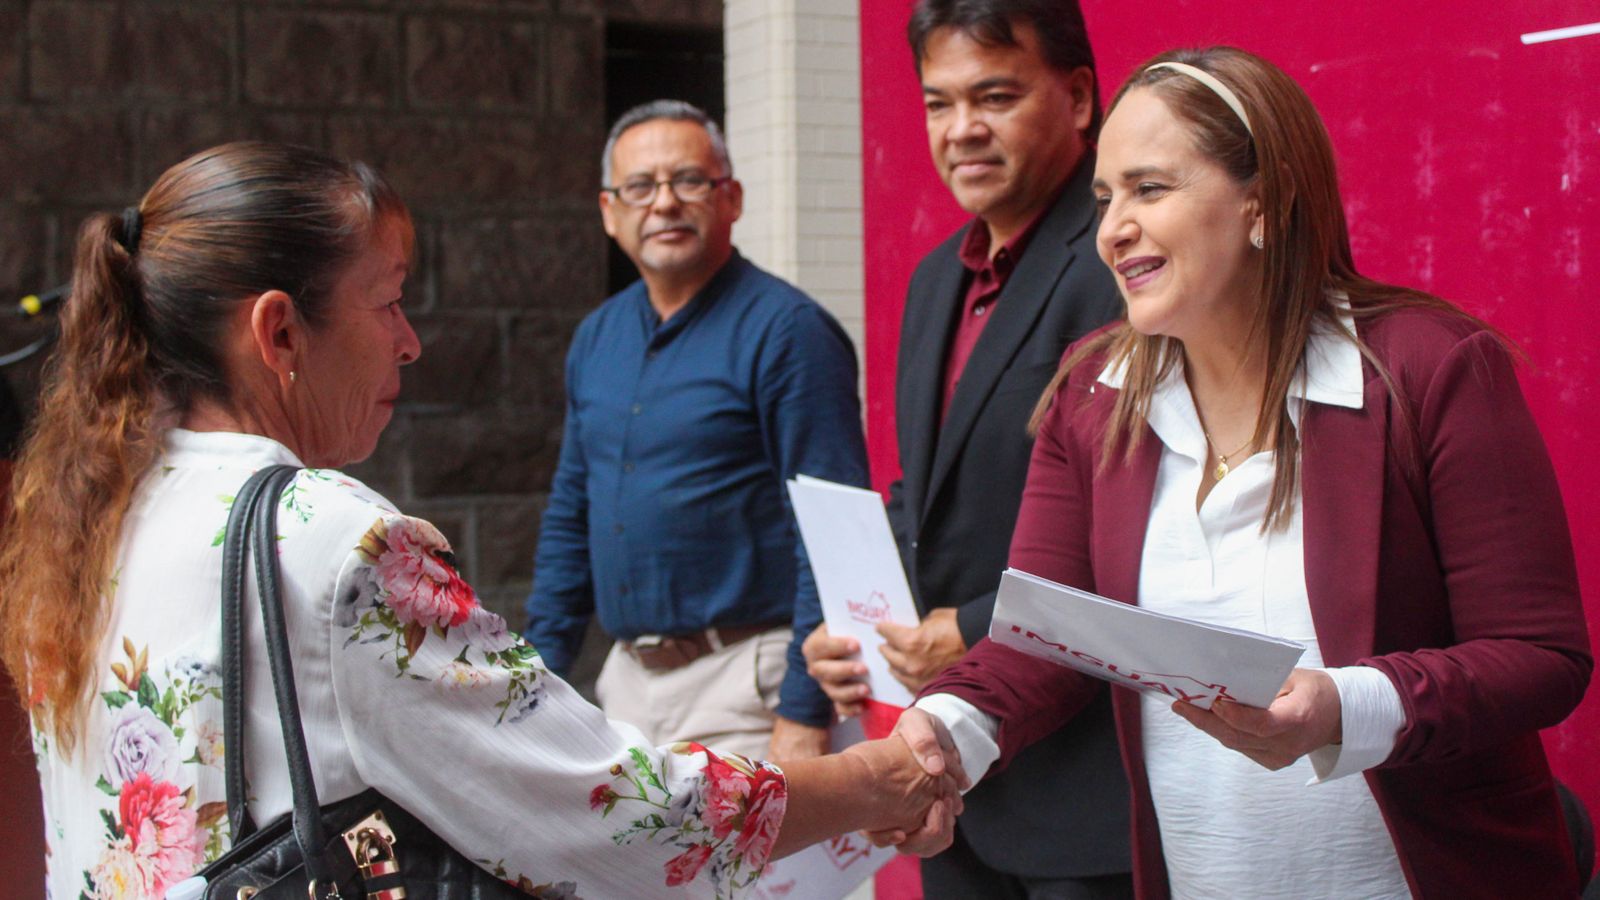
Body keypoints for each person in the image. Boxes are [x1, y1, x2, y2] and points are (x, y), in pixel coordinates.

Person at [0, 141, 960, 900]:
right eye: (389, 302)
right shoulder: (331, 539)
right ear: (279, 331)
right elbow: (612, 811)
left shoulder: (90, 507)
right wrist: (876, 777)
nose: (410, 342)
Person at [896, 46, 1592, 898]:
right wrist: (940, 730)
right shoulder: (1091, 391)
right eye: (1106, 198)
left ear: (1263, 202)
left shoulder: (1430, 368)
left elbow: (1539, 656)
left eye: (1150, 189)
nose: (1112, 228)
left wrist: (1343, 705)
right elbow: (1044, 643)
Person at [801, 2, 1131, 896]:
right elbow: (931, 498)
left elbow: (1145, 524)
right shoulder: (936, 278)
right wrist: (858, 628)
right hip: (958, 787)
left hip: (1091, 787)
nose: (962, 131)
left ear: (1078, 98)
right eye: (938, 104)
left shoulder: (1124, 265)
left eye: (994, 96)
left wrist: (973, 630)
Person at [522, 100, 870, 764]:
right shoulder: (597, 337)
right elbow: (573, 510)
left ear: (731, 198)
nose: (664, 203)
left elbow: (831, 534)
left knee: (755, 875)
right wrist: (537, 677)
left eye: (689, 181)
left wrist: (803, 710)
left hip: (749, 684)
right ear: (608, 211)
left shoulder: (788, 332)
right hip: (625, 686)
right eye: (640, 187)